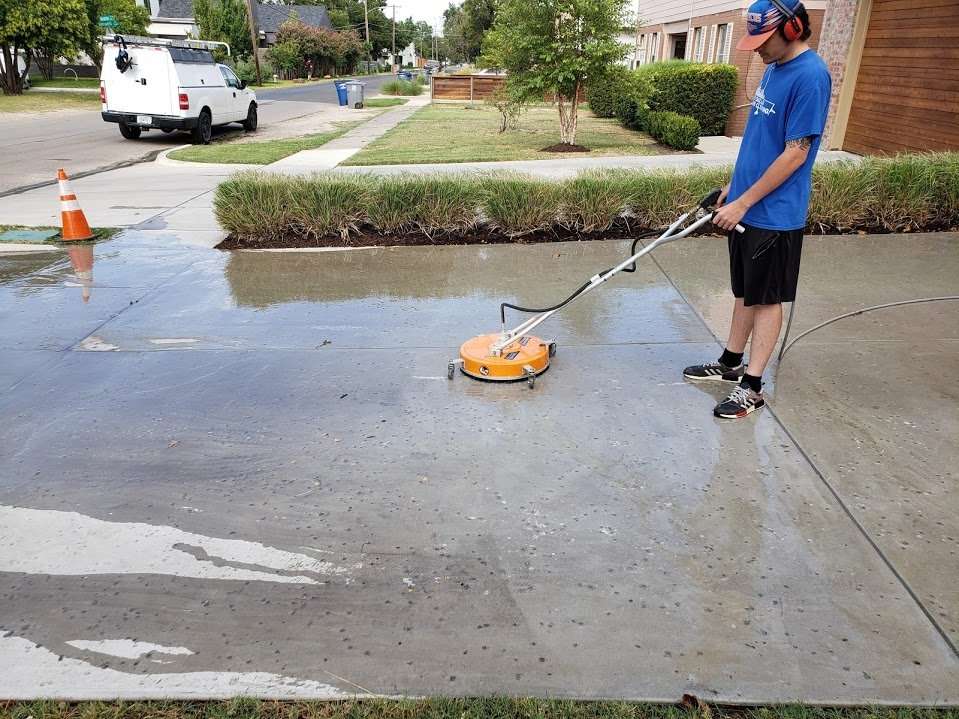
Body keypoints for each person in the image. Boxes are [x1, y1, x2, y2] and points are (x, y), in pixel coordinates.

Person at [683, 0, 831, 419]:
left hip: (775, 214)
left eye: (764, 40)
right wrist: (735, 188)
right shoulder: (774, 67)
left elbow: (795, 154)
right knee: (746, 290)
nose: (758, 49)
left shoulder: (811, 76)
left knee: (767, 299)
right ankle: (731, 364)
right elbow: (759, 139)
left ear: (793, 29)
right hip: (747, 204)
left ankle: (752, 385)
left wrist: (747, 201)